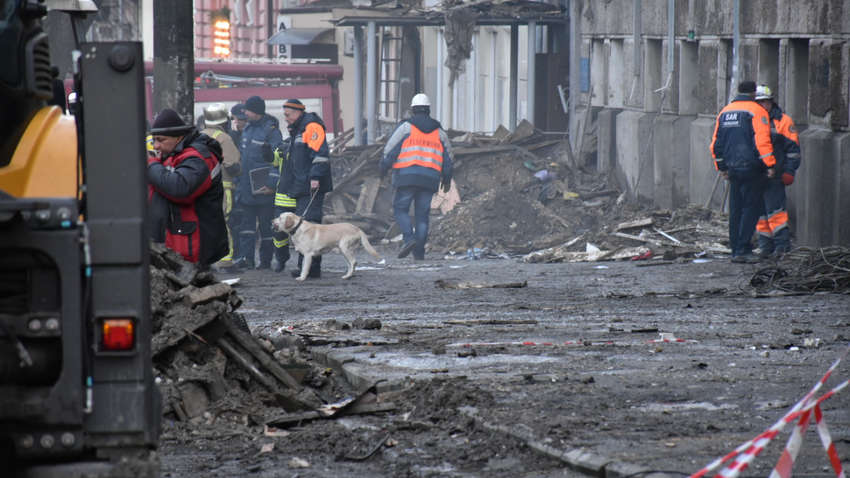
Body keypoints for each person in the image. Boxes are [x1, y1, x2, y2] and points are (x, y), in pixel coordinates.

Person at [148, 108, 228, 266]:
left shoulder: (198, 158)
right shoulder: (174, 154)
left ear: (178, 137)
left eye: (160, 140)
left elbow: (180, 189)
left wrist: (151, 165)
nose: (156, 146)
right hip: (180, 242)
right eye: (153, 141)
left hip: (192, 245)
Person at [710, 81, 777, 264]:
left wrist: (721, 167)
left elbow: (716, 144)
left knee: (736, 210)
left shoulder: (725, 111)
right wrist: (770, 165)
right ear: (753, 94)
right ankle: (743, 249)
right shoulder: (757, 111)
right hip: (752, 168)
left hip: (732, 169)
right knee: (750, 209)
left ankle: (735, 250)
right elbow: (762, 141)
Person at [380, 93, 453, 260]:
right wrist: (447, 179)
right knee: (422, 215)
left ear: (413, 109)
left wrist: (382, 169)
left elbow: (389, 150)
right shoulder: (440, 132)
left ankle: (408, 239)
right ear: (428, 110)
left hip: (406, 176)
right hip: (429, 179)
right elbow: (449, 158)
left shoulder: (406, 127)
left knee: (400, 209)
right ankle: (419, 253)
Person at [275, 99, 333, 278]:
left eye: (288, 114)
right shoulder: (297, 130)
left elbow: (321, 155)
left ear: (298, 111)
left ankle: (311, 269)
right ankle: (305, 267)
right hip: (302, 185)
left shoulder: (311, 127)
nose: (286, 119)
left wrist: (315, 177)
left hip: (311, 185)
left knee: (311, 225)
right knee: (303, 227)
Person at [752, 85, 802, 259]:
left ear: (771, 102)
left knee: (776, 212)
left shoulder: (783, 121)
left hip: (776, 174)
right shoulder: (752, 119)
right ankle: (765, 247)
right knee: (761, 213)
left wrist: (789, 171)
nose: (762, 106)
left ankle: (782, 247)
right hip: (756, 175)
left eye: (764, 102)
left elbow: (793, 150)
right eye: (758, 102)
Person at [233, 95, 282, 270]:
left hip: (264, 190)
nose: (244, 112)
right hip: (246, 189)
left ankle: (266, 261)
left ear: (256, 111)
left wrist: (271, 184)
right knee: (246, 228)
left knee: (266, 228)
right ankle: (247, 259)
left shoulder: (271, 131)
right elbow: (242, 158)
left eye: (247, 109)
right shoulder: (246, 130)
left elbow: (278, 159)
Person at [202, 103, 242, 270]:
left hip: (202, 187)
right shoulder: (223, 138)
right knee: (223, 221)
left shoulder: (199, 136)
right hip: (222, 187)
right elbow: (233, 165)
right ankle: (225, 259)